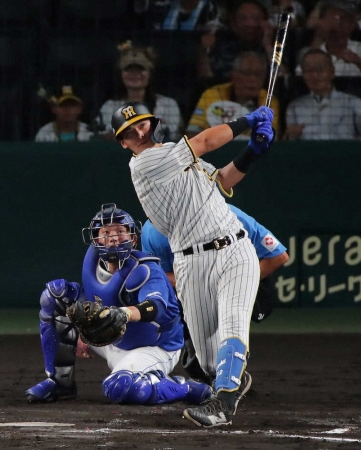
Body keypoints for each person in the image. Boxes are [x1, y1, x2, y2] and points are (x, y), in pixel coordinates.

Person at [110, 100, 275, 428]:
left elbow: (223, 180)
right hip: (190, 262)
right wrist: (248, 121)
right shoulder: (146, 163)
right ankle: (230, 375)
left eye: (141, 124)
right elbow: (204, 142)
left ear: (154, 122)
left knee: (232, 324)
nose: (139, 133)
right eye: (129, 132)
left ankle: (223, 405)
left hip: (234, 248)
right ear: (124, 143)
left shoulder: (177, 157)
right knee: (208, 358)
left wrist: (253, 151)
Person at [25, 203, 212, 407]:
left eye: (120, 232)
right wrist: (78, 329)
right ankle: (59, 382)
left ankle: (185, 387)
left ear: (133, 238)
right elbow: (91, 304)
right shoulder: (94, 265)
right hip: (113, 338)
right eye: (106, 232)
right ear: (96, 239)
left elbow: (154, 306)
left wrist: (123, 314)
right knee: (54, 295)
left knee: (120, 387)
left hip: (153, 346)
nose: (113, 238)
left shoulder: (146, 269)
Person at [141, 204, 289, 383]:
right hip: (192, 286)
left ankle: (232, 367)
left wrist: (236, 282)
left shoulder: (231, 215)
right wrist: (198, 287)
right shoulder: (156, 230)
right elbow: (161, 275)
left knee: (230, 322)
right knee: (200, 365)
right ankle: (195, 349)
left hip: (249, 279)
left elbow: (278, 256)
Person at [284, 48, 361, 141]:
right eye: (309, 71)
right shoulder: (294, 107)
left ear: (332, 72)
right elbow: (288, 142)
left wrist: (349, 147)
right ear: (303, 75)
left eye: (320, 70)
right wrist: (289, 136)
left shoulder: (353, 102)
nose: (314, 75)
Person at [97, 41, 183, 142]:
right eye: (129, 69)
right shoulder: (110, 106)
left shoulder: (168, 104)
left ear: (150, 74)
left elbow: (170, 136)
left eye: (140, 69)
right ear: (121, 75)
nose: (134, 74)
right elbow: (105, 137)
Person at [186, 51, 281, 138]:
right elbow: (192, 133)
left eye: (258, 74)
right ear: (234, 75)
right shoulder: (212, 95)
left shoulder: (269, 101)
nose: (253, 79)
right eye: (247, 73)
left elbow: (270, 138)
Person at [296, 0, 361, 77]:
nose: (337, 24)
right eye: (333, 18)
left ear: (352, 24)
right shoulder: (314, 53)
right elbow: (299, 76)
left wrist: (360, 63)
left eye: (344, 19)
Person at [196, 0, 282, 81]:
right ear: (233, 23)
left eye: (256, 18)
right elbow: (206, 80)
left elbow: (282, 77)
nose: (249, 24)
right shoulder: (219, 44)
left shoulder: (276, 43)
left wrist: (268, 46)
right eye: (243, 18)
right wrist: (203, 52)